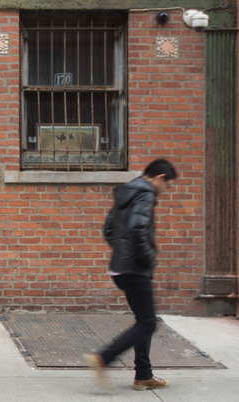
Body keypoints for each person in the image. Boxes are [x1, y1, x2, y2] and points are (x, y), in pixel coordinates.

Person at [84, 158, 177, 391]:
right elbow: (137, 229)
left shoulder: (128, 192)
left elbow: (108, 229)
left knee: (144, 321)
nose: (165, 191)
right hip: (135, 268)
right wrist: (147, 258)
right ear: (160, 178)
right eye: (168, 185)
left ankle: (143, 375)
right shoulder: (145, 194)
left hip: (120, 267)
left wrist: (122, 252)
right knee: (148, 323)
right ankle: (103, 358)